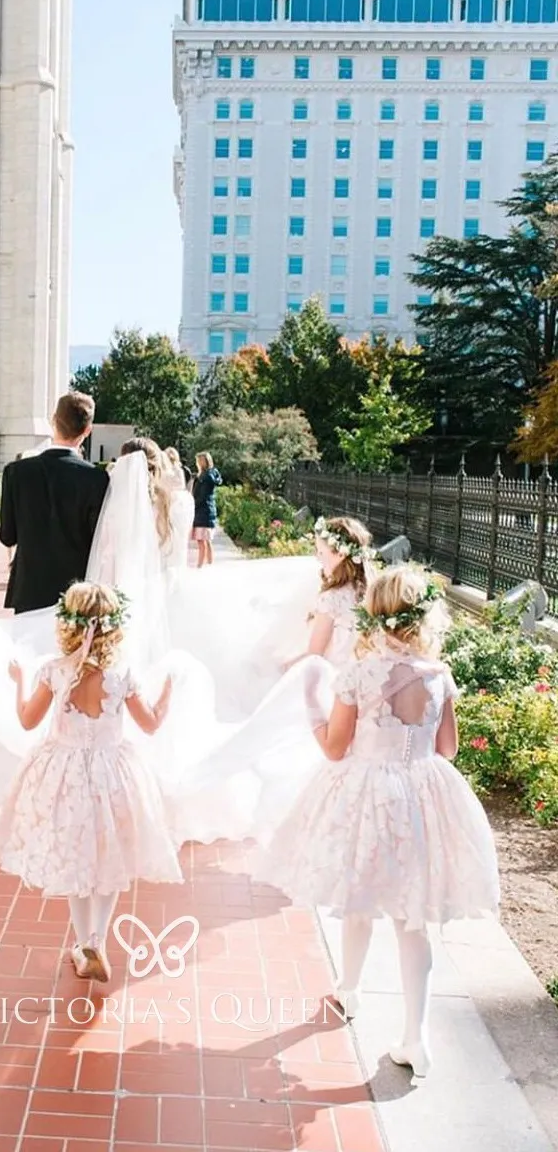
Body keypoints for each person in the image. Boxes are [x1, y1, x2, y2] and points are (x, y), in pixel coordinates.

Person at [253, 566, 500, 1077]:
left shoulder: (360, 675)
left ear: (376, 615)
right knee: (414, 919)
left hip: (368, 794)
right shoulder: (440, 675)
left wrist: (312, 710)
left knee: (360, 898)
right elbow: (447, 749)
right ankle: (417, 1036)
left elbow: (335, 749)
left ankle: (350, 989)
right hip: (423, 793)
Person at [0, 582, 180, 984]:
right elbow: (151, 724)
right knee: (110, 855)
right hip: (112, 776)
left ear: (67, 624)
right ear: (113, 627)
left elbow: (28, 721)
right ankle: (96, 940)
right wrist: (169, 692)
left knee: (76, 855)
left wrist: (18, 680)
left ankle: (85, 942)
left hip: (64, 776)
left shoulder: (54, 671)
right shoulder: (122, 676)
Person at [0, 392, 109, 614]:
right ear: (88, 430)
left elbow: (7, 536)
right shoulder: (96, 479)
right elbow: (98, 542)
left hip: (28, 589)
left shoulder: (17, 472)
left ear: (53, 421)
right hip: (75, 595)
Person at [283, 516, 375, 671]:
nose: (317, 557)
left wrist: (282, 668)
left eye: (321, 552)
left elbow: (314, 656)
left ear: (340, 554)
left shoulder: (332, 598)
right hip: (362, 674)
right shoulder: (369, 591)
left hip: (332, 680)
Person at [191, 452, 223, 568]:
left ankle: (199, 566)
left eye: (199, 461)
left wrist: (192, 505)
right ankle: (209, 563)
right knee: (207, 540)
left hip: (202, 511)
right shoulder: (211, 475)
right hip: (208, 510)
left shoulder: (205, 477)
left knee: (201, 541)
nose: (197, 463)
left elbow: (201, 496)